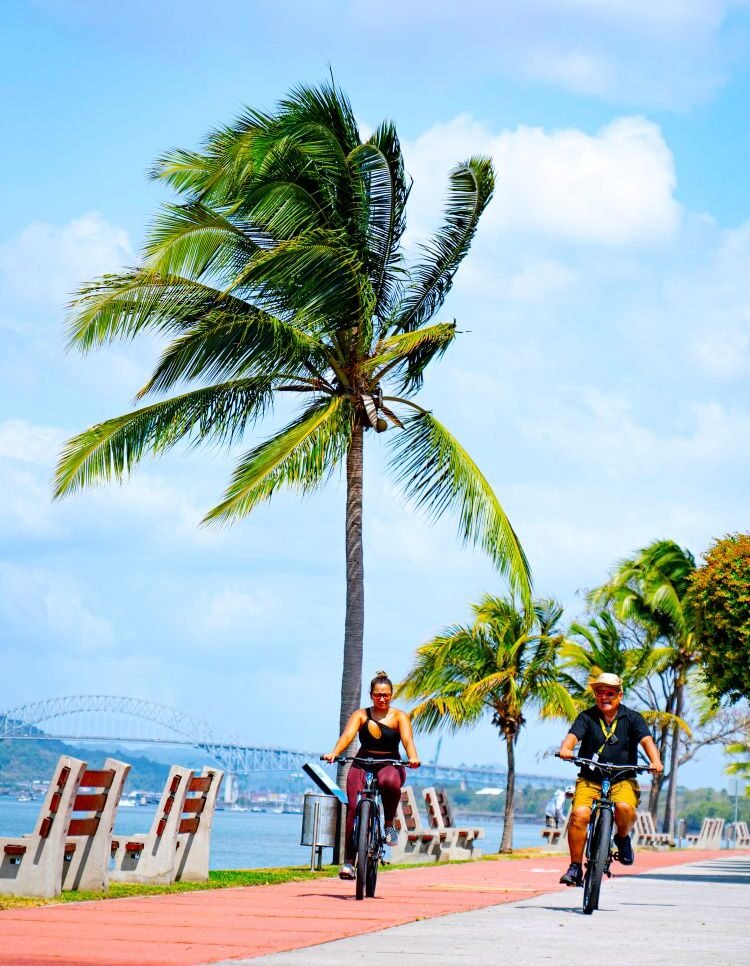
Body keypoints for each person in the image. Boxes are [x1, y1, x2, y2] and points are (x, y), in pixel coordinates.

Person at [557, 672, 663, 887]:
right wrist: (566, 749)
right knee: (579, 815)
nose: (604, 697)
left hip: (622, 779)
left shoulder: (633, 718)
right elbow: (572, 737)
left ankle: (622, 838)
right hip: (590, 778)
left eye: (610, 693)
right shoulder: (586, 717)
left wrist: (655, 761)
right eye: (599, 693)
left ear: (620, 695)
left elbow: (647, 741)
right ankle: (575, 866)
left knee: (624, 807)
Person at [323, 670, 421, 880]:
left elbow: (407, 741)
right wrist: (335, 753)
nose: (382, 699)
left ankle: (387, 825)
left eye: (386, 695)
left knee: (389, 782)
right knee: (351, 807)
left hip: (389, 762)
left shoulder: (400, 717)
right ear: (371, 695)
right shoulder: (361, 715)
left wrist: (413, 757)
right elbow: (348, 735)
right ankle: (349, 862)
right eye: (378, 694)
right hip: (362, 761)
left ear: (392, 695)